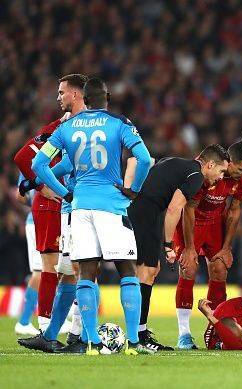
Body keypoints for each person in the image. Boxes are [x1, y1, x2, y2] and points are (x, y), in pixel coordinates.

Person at [31, 77, 153, 355]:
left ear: (83, 100)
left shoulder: (66, 128)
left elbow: (39, 164)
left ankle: (92, 344)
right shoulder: (119, 123)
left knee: (86, 273)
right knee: (127, 271)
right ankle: (134, 343)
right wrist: (133, 190)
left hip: (80, 207)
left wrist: (65, 193)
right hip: (111, 205)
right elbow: (144, 159)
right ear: (107, 97)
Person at [126, 145, 229, 351]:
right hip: (146, 213)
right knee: (145, 273)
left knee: (151, 271)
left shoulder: (177, 162)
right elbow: (174, 208)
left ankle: (139, 333)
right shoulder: (196, 177)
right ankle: (138, 337)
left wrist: (130, 190)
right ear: (209, 164)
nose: (220, 177)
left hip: (143, 210)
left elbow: (135, 161)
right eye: (221, 171)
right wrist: (167, 244)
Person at [13, 74, 88, 332]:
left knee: (71, 268)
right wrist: (41, 185)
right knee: (53, 266)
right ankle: (44, 325)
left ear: (76, 95)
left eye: (61, 93)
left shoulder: (89, 124)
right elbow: (23, 157)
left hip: (75, 205)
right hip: (52, 206)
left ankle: (72, 328)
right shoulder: (59, 126)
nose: (57, 98)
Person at [173, 141, 242, 350]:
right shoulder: (204, 172)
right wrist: (190, 248)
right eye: (241, 169)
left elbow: (235, 209)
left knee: (219, 269)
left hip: (216, 223)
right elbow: (188, 209)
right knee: (189, 268)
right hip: (191, 222)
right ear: (229, 163)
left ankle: (216, 331)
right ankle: (184, 335)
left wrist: (227, 247)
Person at [14, 176, 41, 336]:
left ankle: (52, 316)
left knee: (53, 271)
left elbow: (19, 195)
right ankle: (24, 321)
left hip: (43, 219)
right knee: (41, 272)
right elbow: (20, 195)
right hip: (40, 220)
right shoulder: (39, 158)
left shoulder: (31, 158)